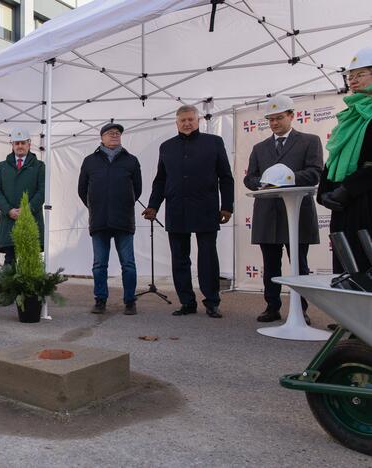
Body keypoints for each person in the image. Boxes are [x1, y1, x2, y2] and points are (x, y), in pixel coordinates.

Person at [143, 105, 234, 318]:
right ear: (177, 123)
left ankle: (212, 302)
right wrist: (153, 205)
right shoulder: (166, 147)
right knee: (179, 259)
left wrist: (227, 206)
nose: (187, 123)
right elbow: (161, 180)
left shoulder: (214, 143)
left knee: (208, 257)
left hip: (206, 208)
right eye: (183, 120)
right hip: (176, 209)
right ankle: (187, 302)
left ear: (198, 120)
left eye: (191, 119)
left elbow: (226, 177)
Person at [243, 95, 323, 324]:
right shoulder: (259, 148)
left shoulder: (310, 141)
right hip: (267, 213)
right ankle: (272, 306)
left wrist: (284, 178)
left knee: (299, 264)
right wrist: (260, 183)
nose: (274, 123)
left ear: (291, 116)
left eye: (279, 118)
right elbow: (250, 178)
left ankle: (301, 308)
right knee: (271, 264)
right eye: (271, 119)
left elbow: (315, 172)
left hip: (297, 213)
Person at [318, 47, 372, 275]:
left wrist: (346, 190)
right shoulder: (349, 115)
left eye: (360, 74)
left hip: (367, 202)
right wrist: (324, 192)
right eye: (350, 76)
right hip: (343, 204)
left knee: (365, 266)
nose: (353, 80)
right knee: (345, 270)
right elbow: (334, 157)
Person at [78, 123, 142, 315]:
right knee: (99, 264)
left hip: (124, 220)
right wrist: (96, 206)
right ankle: (100, 300)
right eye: (110, 133)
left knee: (128, 264)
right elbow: (82, 190)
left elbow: (137, 190)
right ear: (102, 137)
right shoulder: (90, 161)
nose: (115, 135)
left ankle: (130, 301)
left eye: (118, 133)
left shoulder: (131, 160)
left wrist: (123, 204)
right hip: (99, 220)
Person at [0, 128, 45, 265]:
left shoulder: (39, 166)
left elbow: (43, 191)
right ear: (12, 145)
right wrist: (8, 210)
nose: (20, 146)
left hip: (31, 220)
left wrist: (27, 210)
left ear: (29, 144)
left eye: (23, 143)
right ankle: (9, 288)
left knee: (31, 263)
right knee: (10, 262)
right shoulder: (1, 167)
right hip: (9, 221)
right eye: (17, 143)